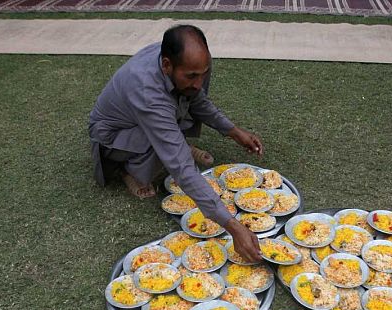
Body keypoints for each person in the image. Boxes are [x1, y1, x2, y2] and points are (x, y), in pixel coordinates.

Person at [88, 25, 263, 263]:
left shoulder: (185, 66)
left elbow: (198, 100)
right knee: (171, 151)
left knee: (179, 112)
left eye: (204, 73)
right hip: (114, 136)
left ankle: (177, 143)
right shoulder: (147, 92)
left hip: (149, 116)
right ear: (167, 65)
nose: (199, 83)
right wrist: (233, 226)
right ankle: (126, 169)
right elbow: (181, 168)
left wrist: (233, 131)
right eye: (192, 76)